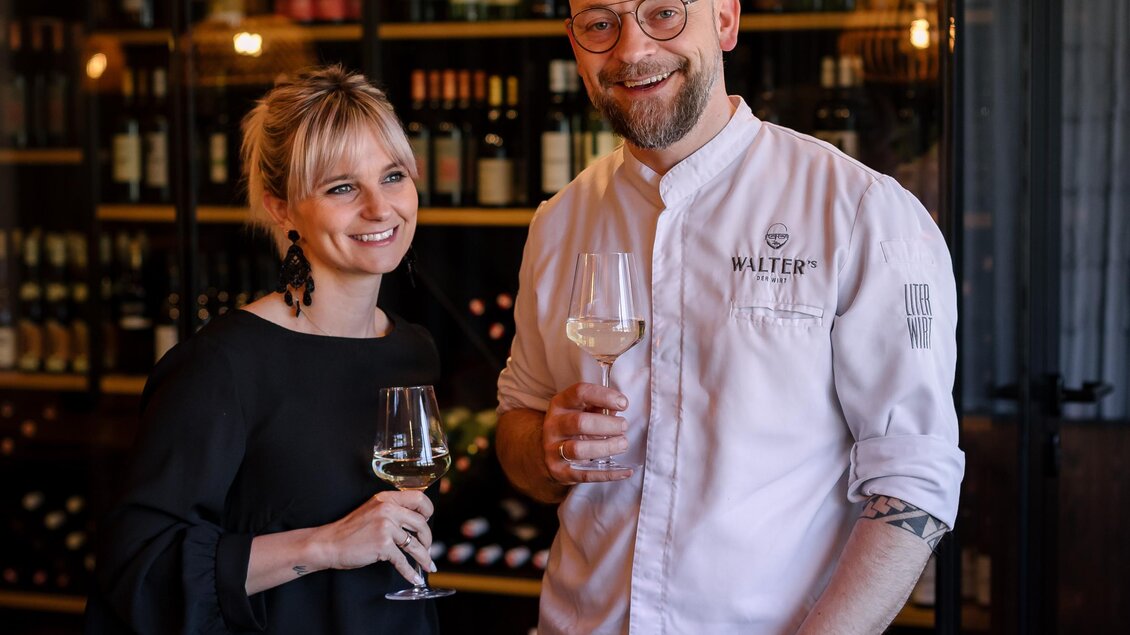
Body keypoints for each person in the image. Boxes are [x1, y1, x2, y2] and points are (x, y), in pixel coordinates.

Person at [495, 1, 965, 633]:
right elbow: (518, 416)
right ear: (575, 44)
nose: (632, 50)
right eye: (600, 22)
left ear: (724, 20)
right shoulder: (558, 222)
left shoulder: (860, 210)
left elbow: (913, 478)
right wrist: (544, 447)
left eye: (664, 12)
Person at [87, 65, 442, 634]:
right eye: (342, 187)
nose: (380, 208)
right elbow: (139, 569)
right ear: (281, 208)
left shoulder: (412, 350)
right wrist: (326, 545)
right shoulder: (223, 366)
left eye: (394, 176)